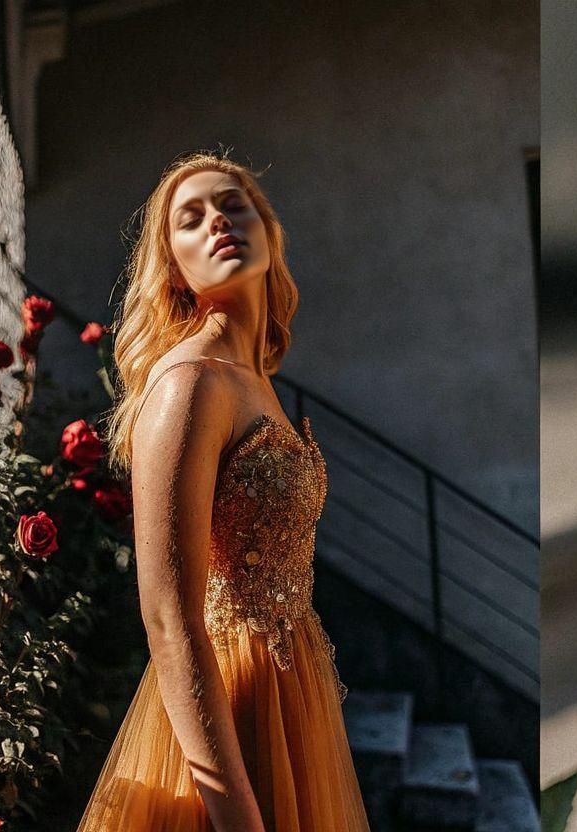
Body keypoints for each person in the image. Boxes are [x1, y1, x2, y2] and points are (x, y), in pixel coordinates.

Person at [76, 151, 370, 831]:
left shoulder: (254, 379)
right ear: (173, 265)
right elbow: (168, 621)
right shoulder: (190, 385)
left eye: (233, 204)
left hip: (292, 695)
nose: (218, 222)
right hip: (228, 709)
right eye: (191, 218)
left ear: (267, 230)